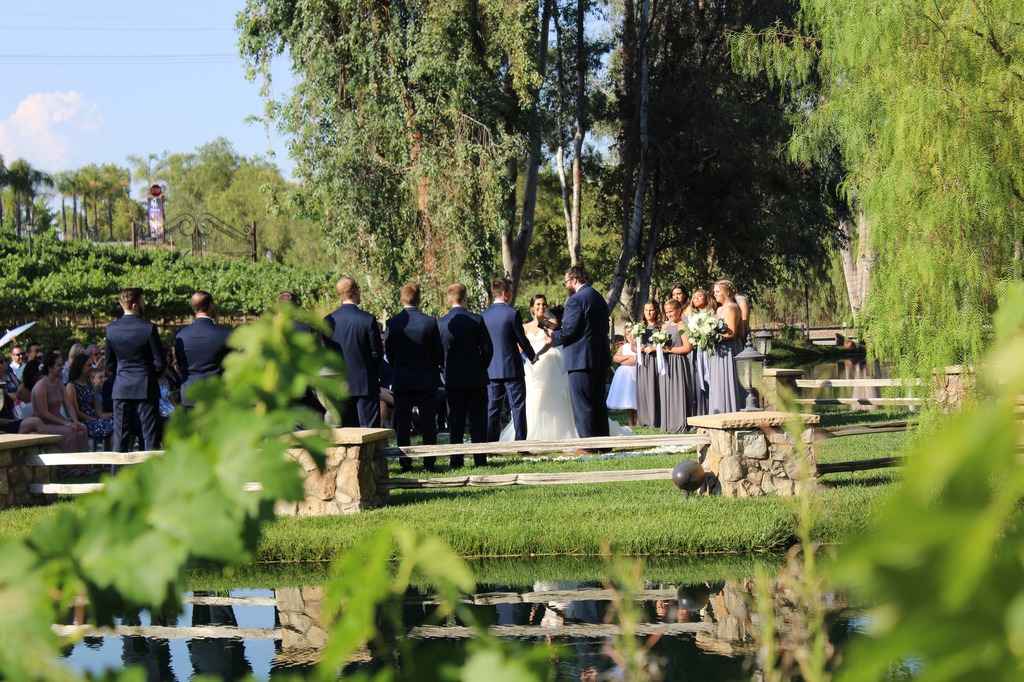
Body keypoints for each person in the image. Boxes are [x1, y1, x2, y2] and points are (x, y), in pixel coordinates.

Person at [385, 283, 444, 472]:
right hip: (425, 379)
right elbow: (437, 352)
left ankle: (405, 463)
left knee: (402, 424)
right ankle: (428, 462)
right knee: (428, 422)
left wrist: (399, 368)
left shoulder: (393, 323)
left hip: (403, 379)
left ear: (402, 299)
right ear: (419, 299)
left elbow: (390, 353)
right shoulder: (429, 322)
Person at [499, 294, 575, 441]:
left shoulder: (550, 321)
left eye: (544, 304)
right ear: (532, 308)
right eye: (538, 304)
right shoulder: (525, 327)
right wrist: (528, 357)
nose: (541, 307)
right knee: (533, 397)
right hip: (532, 366)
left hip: (549, 360)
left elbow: (551, 341)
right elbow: (520, 345)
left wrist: (537, 355)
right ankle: (531, 432)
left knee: (553, 395)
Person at [549, 264, 612, 440]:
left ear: (574, 280)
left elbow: (569, 331)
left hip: (580, 359)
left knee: (582, 403)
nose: (566, 285)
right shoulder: (598, 297)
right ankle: (603, 441)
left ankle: (587, 443)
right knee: (598, 402)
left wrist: (553, 335)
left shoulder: (576, 300)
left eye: (566, 282)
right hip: (599, 356)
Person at [437, 283, 493, 468]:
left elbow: (438, 352)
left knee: (455, 420)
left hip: (453, 377)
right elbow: (488, 349)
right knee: (478, 420)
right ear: (465, 299)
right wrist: (480, 366)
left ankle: (456, 460)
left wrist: (445, 366)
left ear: (449, 299)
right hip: (475, 377)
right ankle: (480, 460)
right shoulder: (476, 319)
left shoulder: (441, 323)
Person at [105, 287, 166, 451]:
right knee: (149, 436)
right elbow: (160, 362)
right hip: (145, 386)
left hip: (121, 386)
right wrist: (150, 377)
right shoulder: (148, 328)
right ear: (135, 305)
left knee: (120, 437)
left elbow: (109, 363)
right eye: (142, 301)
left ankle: (117, 475)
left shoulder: (111, 329)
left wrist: (122, 374)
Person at [481, 277, 537, 449]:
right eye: (511, 292)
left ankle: (490, 446)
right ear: (505, 294)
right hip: (512, 369)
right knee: (518, 407)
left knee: (493, 409)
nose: (512, 296)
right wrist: (532, 356)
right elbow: (522, 339)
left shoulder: (483, 316)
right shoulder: (512, 314)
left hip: (491, 370)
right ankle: (520, 446)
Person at [322, 277, 384, 428]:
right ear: (356, 292)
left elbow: (326, 353)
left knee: (347, 433)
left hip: (340, 384)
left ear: (339, 295)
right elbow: (377, 353)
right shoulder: (368, 319)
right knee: (370, 432)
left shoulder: (328, 321)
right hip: (366, 384)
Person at [172, 291, 233, 408]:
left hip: (189, 393)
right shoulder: (225, 333)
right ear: (211, 305)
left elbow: (178, 363)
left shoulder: (180, 334)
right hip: (216, 394)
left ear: (193, 308)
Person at [31, 352, 89, 453]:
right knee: (70, 432)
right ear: (50, 368)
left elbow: (68, 405)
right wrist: (65, 423)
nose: (62, 367)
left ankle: (81, 467)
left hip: (59, 421)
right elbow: (44, 413)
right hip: (44, 424)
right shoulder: (41, 386)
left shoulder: (59, 384)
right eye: (59, 365)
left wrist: (75, 420)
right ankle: (67, 467)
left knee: (82, 430)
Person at [708, 279, 746, 414]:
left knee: (728, 380)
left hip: (728, 349)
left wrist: (710, 336)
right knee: (719, 381)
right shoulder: (719, 309)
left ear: (727, 292)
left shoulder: (731, 307)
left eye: (718, 291)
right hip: (720, 348)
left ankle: (730, 410)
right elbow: (741, 332)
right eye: (714, 291)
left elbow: (733, 333)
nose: (715, 294)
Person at [656, 298, 693, 432]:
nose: (669, 315)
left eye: (671, 311)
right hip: (666, 362)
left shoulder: (682, 326)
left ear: (678, 310)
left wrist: (669, 350)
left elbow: (688, 347)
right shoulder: (665, 326)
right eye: (667, 312)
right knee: (667, 390)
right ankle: (668, 422)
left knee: (678, 391)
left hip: (678, 362)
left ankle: (680, 422)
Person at [65, 353, 115, 447]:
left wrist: (102, 416)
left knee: (117, 424)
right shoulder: (71, 386)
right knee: (113, 427)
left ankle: (112, 457)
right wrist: (95, 419)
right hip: (83, 421)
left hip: (95, 419)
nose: (92, 367)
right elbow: (76, 412)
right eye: (88, 365)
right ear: (80, 367)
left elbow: (96, 405)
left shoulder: (89, 384)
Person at [635, 300, 663, 429]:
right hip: (643, 362)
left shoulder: (661, 326)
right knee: (644, 389)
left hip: (656, 361)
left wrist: (653, 348)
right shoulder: (640, 327)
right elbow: (632, 345)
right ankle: (644, 418)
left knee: (656, 388)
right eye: (646, 310)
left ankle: (657, 418)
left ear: (656, 310)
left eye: (651, 310)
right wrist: (639, 348)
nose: (648, 313)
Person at [607, 328, 639, 427]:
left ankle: (639, 422)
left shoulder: (639, 347)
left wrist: (625, 359)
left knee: (637, 398)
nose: (629, 336)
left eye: (631, 334)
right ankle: (630, 423)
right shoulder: (623, 347)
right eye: (627, 334)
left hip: (636, 372)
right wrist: (628, 357)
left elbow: (635, 361)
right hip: (626, 375)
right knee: (629, 399)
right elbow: (616, 358)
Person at [688, 288, 712, 416]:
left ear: (706, 299)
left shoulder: (711, 314)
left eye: (700, 296)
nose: (696, 298)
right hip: (696, 352)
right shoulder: (692, 316)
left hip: (708, 350)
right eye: (694, 296)